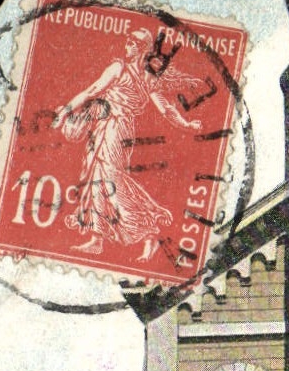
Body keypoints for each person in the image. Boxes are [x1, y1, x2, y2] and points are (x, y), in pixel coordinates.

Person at [52, 28, 203, 261]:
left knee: (111, 178)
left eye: (133, 42)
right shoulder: (136, 74)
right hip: (106, 126)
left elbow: (165, 108)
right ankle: (96, 238)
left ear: (142, 48)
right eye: (129, 41)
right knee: (96, 176)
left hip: (117, 128)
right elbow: (93, 91)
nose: (127, 45)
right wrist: (66, 110)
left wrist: (187, 124)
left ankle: (149, 231)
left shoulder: (131, 73)